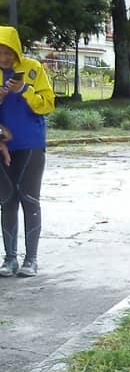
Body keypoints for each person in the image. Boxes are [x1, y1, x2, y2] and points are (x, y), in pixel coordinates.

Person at [0, 25, 55, 277]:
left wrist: (24, 91)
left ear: (17, 51)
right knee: (6, 201)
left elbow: (47, 105)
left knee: (30, 200)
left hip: (31, 145)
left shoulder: (32, 69)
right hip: (3, 147)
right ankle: (9, 259)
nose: (4, 59)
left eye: (8, 53)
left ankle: (31, 259)